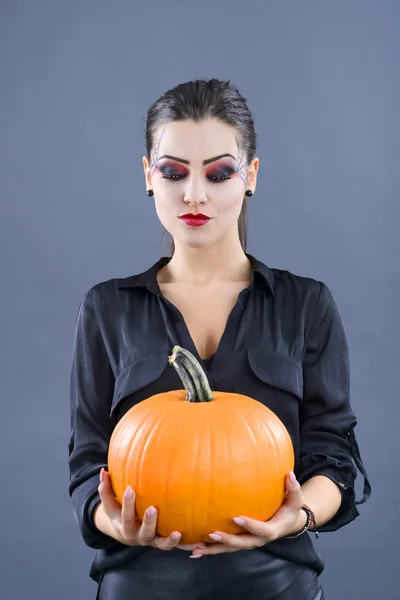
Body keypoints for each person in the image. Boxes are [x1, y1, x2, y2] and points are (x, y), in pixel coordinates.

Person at [68, 78, 371, 600]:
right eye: (173, 172)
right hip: (140, 585)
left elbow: (333, 455)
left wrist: (292, 519)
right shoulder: (107, 308)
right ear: (148, 175)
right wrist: (116, 523)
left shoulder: (306, 305)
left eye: (219, 172)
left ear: (250, 177)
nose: (194, 194)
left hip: (276, 583)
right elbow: (88, 461)